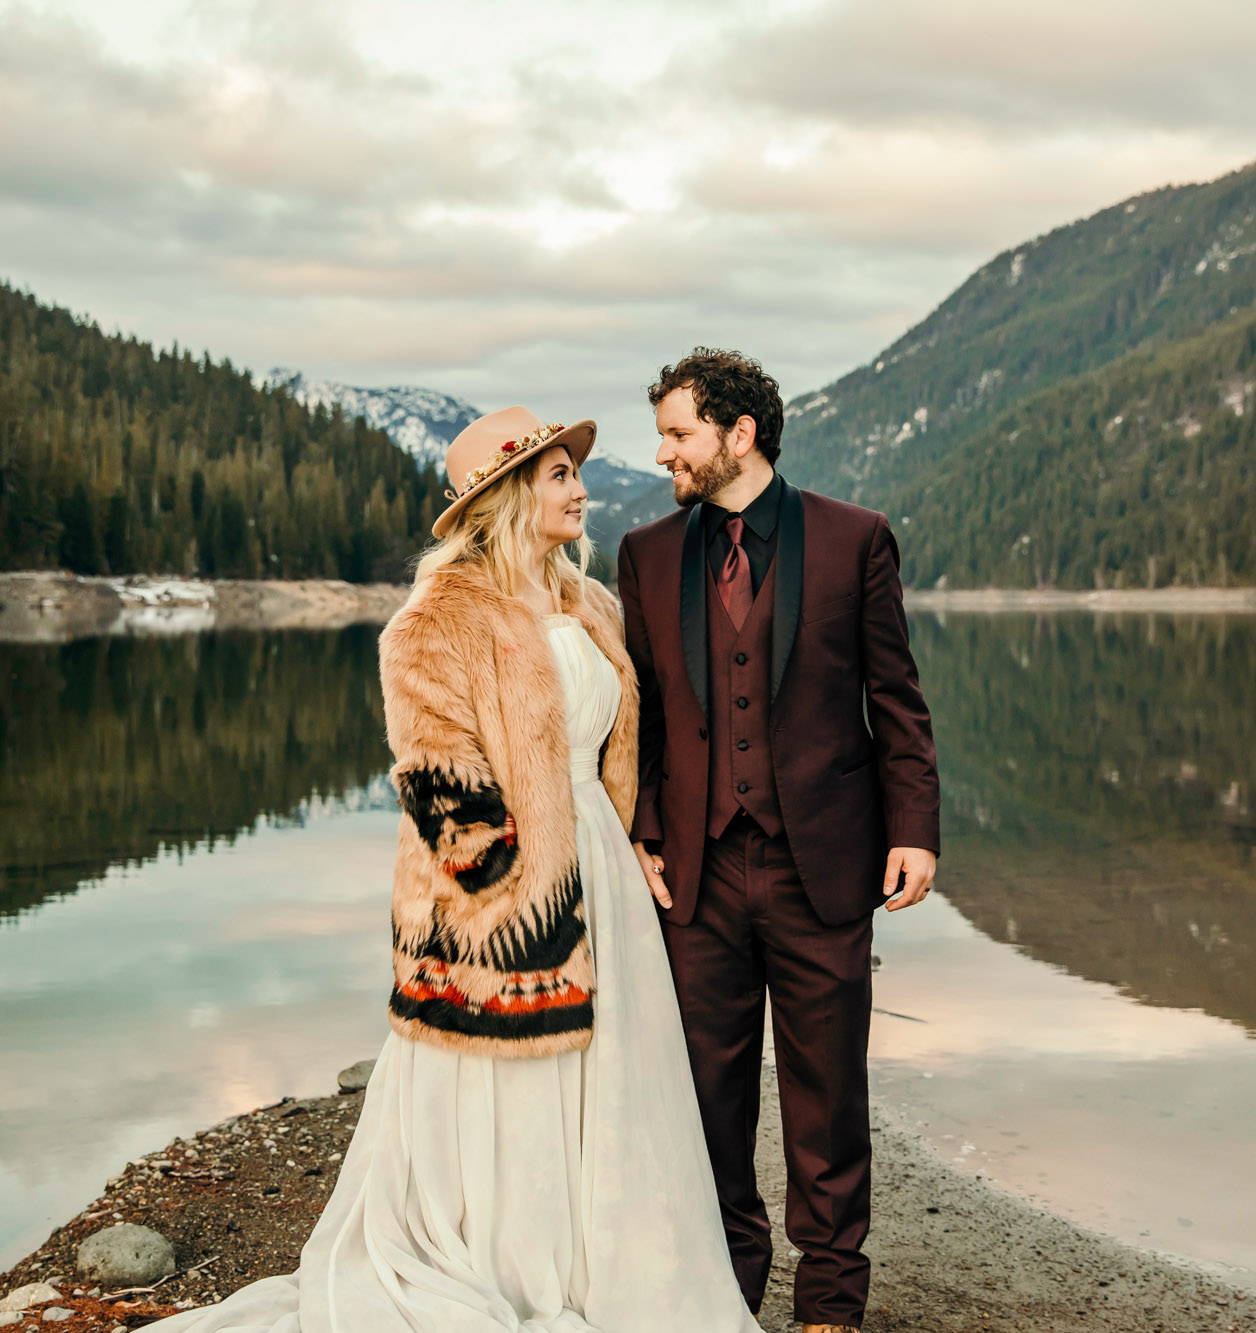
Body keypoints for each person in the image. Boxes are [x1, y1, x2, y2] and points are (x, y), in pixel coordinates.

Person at [144, 406, 760, 1332]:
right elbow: (437, 776)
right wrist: (510, 890)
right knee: (515, 1093)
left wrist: (633, 838)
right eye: (559, 476)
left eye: (573, 474)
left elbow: (625, 741)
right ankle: (517, 1266)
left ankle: (611, 1269)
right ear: (510, 494)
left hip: (603, 868)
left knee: (614, 1086)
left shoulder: (591, 604)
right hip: (506, 898)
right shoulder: (437, 616)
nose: (581, 490)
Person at [616, 349, 942, 1333]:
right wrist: (637, 830)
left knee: (826, 1099)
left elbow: (896, 701)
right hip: (697, 872)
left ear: (736, 434)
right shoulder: (646, 553)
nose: (663, 452)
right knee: (706, 1104)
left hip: (823, 867)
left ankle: (830, 1306)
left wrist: (914, 831)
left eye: (678, 433)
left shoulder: (853, 541)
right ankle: (723, 1291)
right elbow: (639, 717)